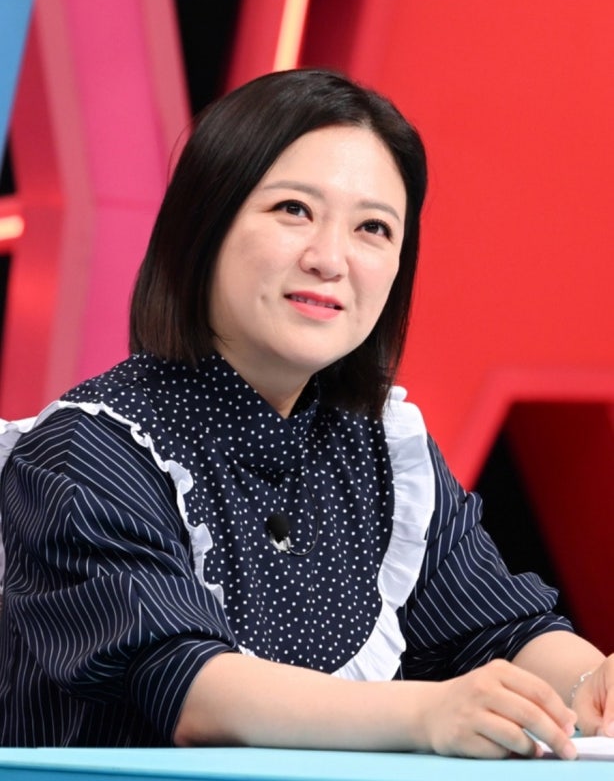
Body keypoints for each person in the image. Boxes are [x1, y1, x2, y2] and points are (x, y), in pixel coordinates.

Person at [0, 68, 612, 756]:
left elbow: (498, 628)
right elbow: (189, 687)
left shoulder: (382, 450)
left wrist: (590, 681)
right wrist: (422, 713)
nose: (330, 259)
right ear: (204, 223)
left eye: (373, 228)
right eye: (293, 210)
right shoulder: (85, 451)